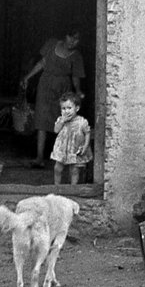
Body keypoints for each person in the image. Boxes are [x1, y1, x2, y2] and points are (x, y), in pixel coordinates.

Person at [22, 31, 85, 167]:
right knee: (42, 121)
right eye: (70, 36)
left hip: (63, 89)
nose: (72, 41)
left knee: (62, 121)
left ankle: (60, 157)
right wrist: (28, 77)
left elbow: (75, 76)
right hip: (45, 85)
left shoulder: (76, 56)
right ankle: (39, 158)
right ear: (65, 35)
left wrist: (78, 90)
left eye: (76, 39)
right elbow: (42, 63)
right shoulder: (52, 44)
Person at [51, 93, 92, 186]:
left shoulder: (82, 122)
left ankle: (73, 188)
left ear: (77, 108)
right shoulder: (60, 120)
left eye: (69, 108)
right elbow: (56, 130)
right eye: (63, 108)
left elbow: (87, 133)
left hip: (75, 149)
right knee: (57, 168)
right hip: (62, 150)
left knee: (74, 170)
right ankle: (56, 186)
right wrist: (62, 121)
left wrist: (85, 146)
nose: (66, 111)